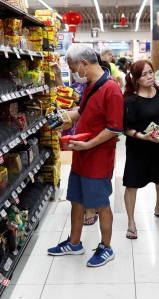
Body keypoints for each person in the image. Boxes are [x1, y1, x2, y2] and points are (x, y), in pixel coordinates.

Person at [47, 44, 123, 267]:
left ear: (84, 64)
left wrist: (88, 145)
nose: (73, 73)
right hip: (81, 154)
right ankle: (74, 242)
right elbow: (81, 112)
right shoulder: (90, 86)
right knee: (76, 201)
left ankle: (106, 248)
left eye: (72, 68)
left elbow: (114, 128)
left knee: (100, 204)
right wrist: (61, 119)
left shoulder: (112, 90)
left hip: (98, 159)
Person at [52, 54, 111, 226]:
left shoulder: (102, 86)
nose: (73, 71)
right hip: (75, 127)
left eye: (73, 67)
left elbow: (111, 125)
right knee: (79, 173)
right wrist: (57, 75)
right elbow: (67, 99)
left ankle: (91, 210)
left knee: (92, 176)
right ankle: (80, 225)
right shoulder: (79, 85)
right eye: (70, 68)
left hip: (92, 138)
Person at [122, 60, 159, 239]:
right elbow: (126, 128)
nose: (149, 77)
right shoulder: (132, 100)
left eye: (151, 72)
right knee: (132, 184)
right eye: (144, 75)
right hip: (138, 148)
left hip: (158, 145)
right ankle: (131, 222)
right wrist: (142, 136)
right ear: (135, 79)